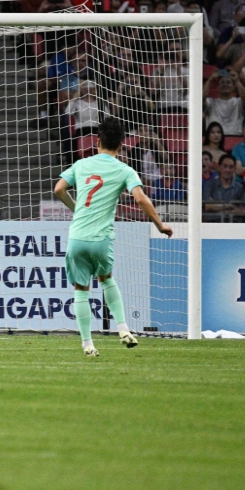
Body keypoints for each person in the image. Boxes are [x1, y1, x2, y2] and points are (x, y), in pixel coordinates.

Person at [53, 117, 172, 357]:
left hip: (77, 237)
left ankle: (87, 344)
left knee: (81, 289)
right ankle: (123, 328)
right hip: (101, 238)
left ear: (97, 141)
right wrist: (159, 225)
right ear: (121, 146)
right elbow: (140, 199)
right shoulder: (124, 170)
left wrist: (75, 208)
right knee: (106, 279)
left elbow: (58, 189)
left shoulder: (82, 164)